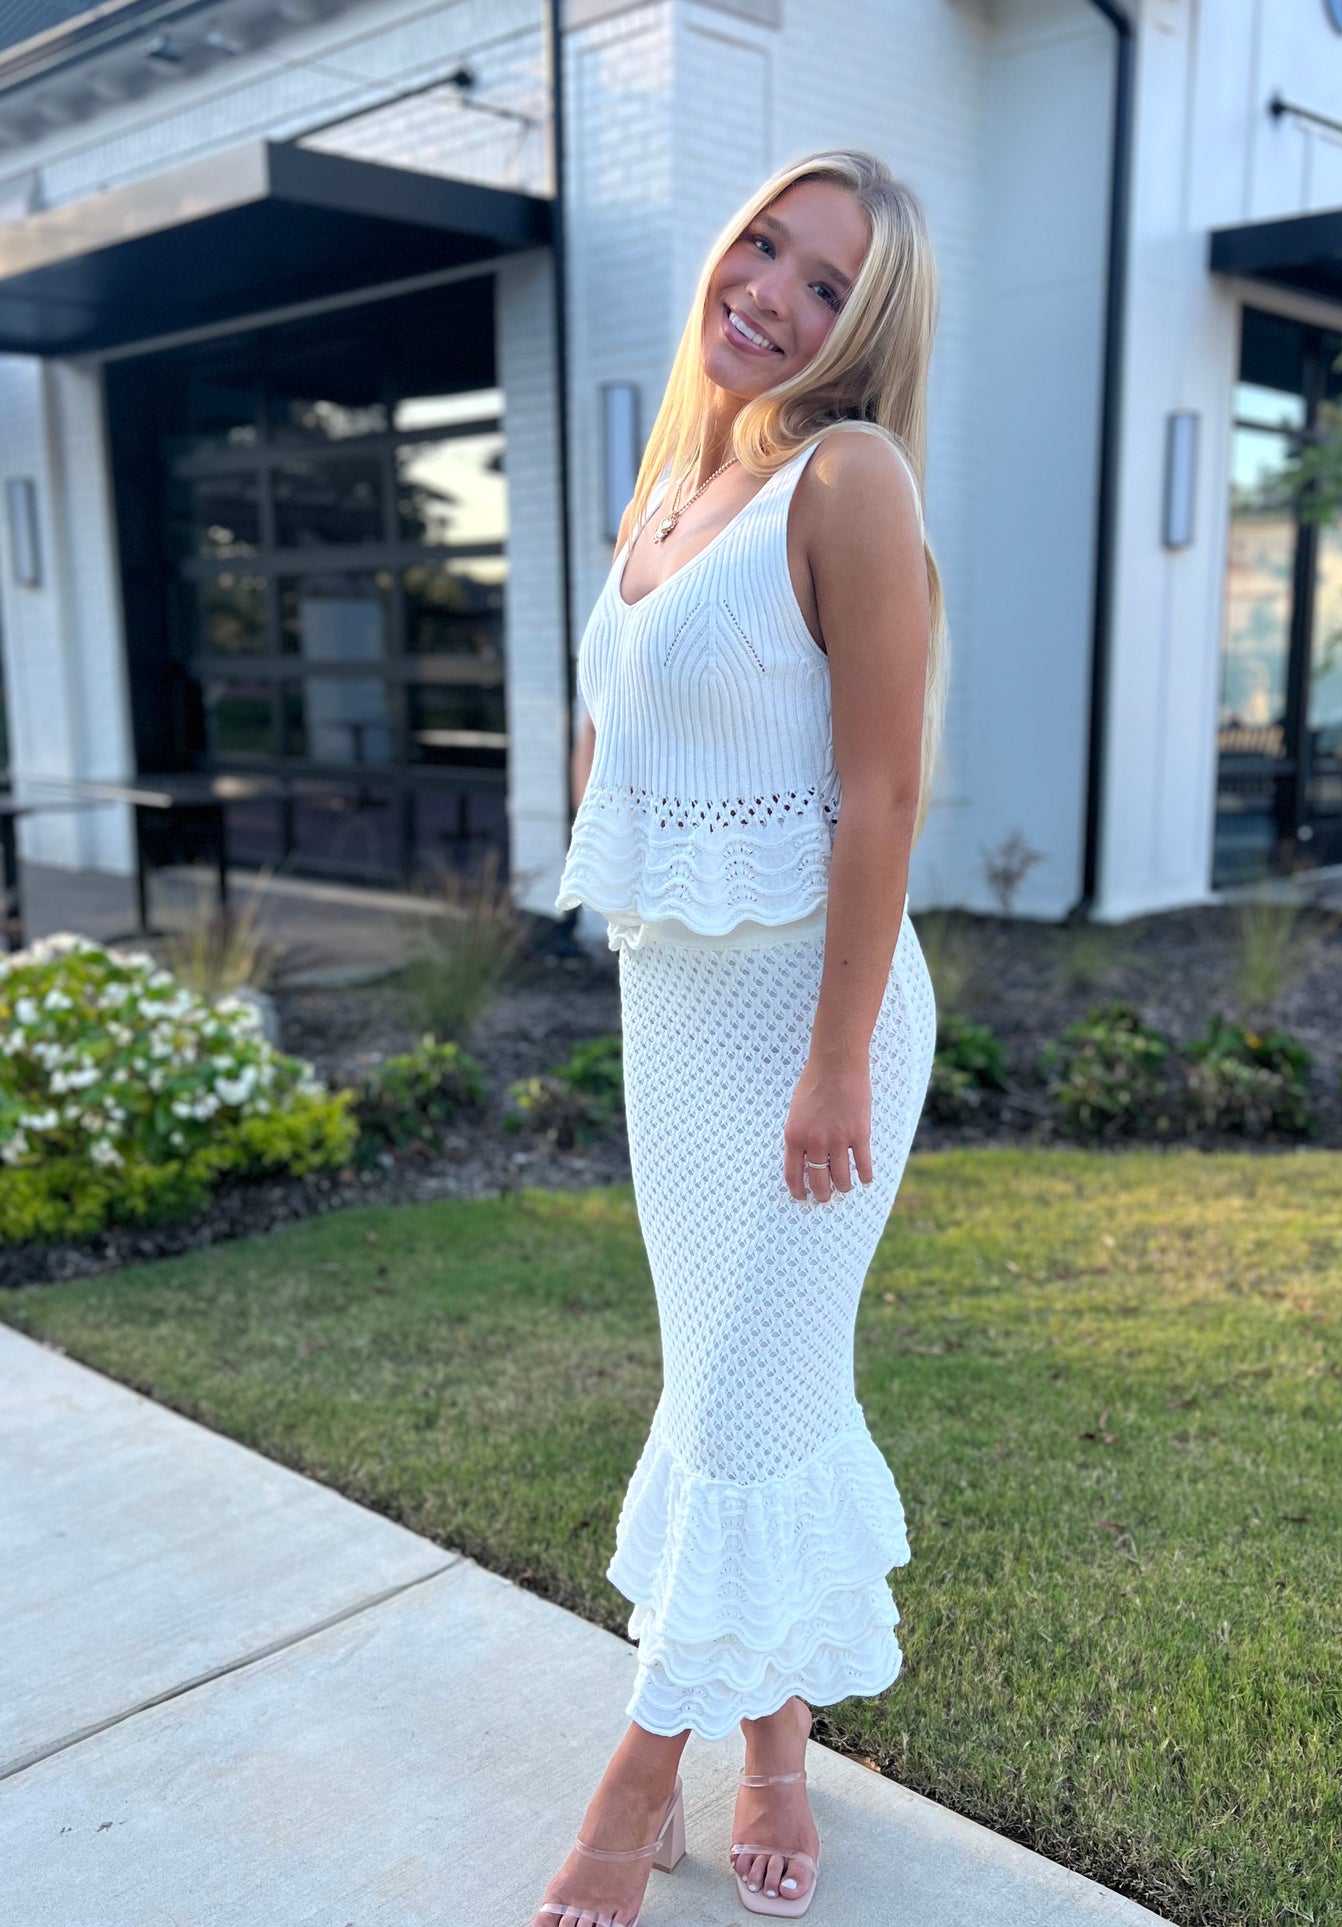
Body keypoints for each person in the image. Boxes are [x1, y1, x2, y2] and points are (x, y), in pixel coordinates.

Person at [536, 145, 950, 1926]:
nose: (769, 291)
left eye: (820, 282)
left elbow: (881, 791)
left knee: (734, 1404)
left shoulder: (848, 479)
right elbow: (615, 744)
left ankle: (637, 1786)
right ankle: (777, 1753)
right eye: (762, 245)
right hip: (678, 1017)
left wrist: (838, 1057)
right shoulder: (673, 488)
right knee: (750, 1392)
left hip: (814, 1016)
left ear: (862, 328)